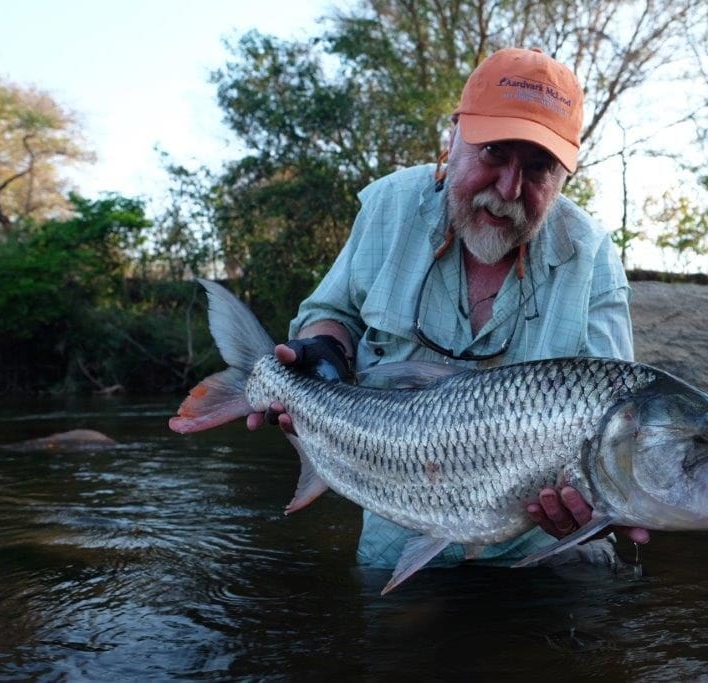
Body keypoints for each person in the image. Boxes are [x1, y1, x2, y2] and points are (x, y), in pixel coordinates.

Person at [247, 47, 650, 568]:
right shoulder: (389, 207)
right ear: (455, 137)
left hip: (547, 549)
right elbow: (333, 315)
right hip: (399, 531)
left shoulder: (593, 257)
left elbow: (616, 416)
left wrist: (605, 503)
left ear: (565, 176)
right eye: (494, 154)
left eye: (538, 168)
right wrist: (321, 351)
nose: (509, 189)